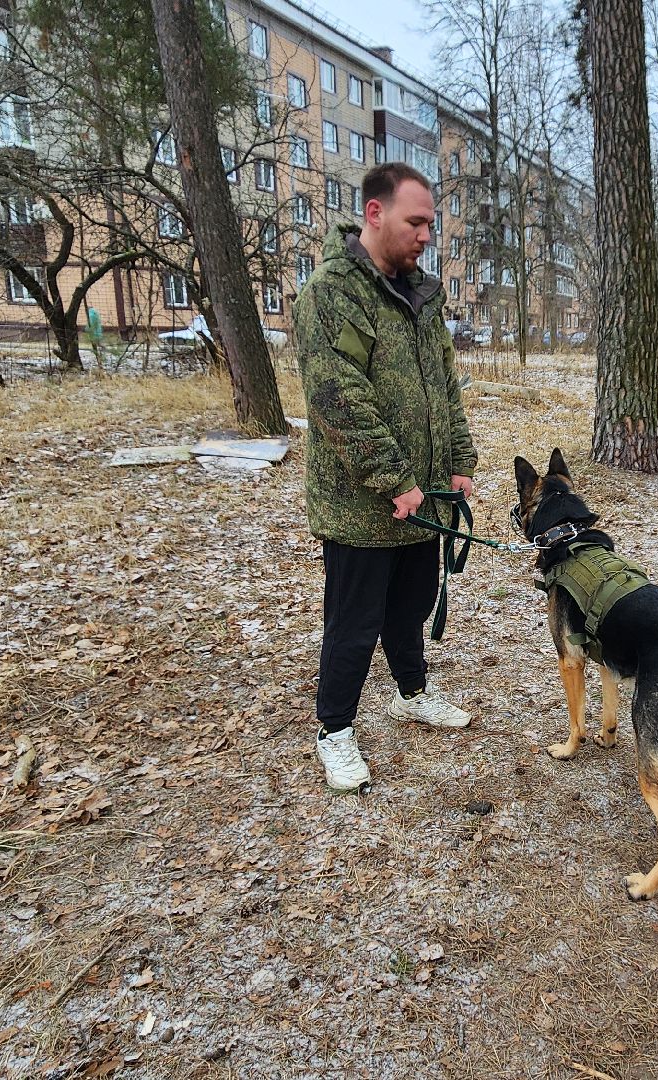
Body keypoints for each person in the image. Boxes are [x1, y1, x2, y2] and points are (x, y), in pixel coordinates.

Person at [295, 162, 477, 793]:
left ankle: (410, 692)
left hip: (420, 500)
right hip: (362, 504)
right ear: (375, 214)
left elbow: (444, 389)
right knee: (353, 622)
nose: (427, 235)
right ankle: (335, 730)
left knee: (411, 608)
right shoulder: (332, 293)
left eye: (431, 223)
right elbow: (337, 397)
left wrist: (458, 460)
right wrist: (395, 477)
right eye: (416, 222)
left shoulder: (423, 294)